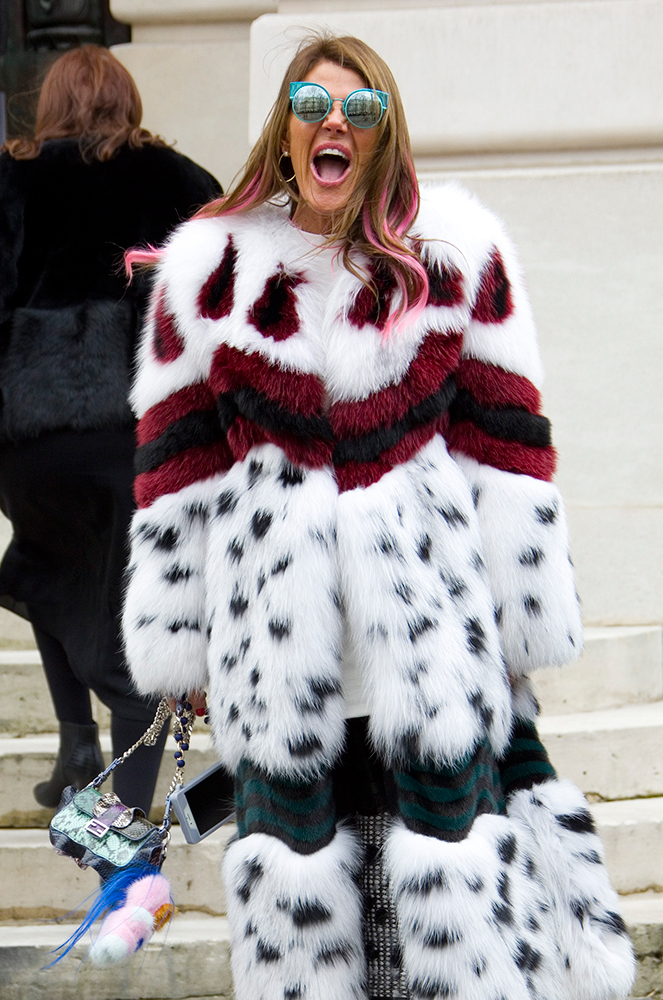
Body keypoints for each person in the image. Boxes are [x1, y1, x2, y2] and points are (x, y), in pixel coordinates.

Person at [122, 32, 634, 1000]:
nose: (335, 125)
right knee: (304, 924)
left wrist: (520, 624)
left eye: (359, 111)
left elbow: (507, 446)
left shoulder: (454, 256)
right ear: (283, 136)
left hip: (432, 656)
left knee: (447, 922)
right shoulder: (208, 272)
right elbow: (174, 471)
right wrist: (181, 651)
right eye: (313, 108)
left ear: (383, 134)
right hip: (279, 671)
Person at [0, 45, 221, 816]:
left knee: (47, 565)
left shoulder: (13, 178)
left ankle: (79, 747)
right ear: (127, 102)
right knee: (136, 628)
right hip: (140, 438)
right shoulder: (185, 183)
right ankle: (121, 820)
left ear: (50, 104)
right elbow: (220, 314)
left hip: (32, 443)